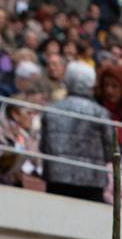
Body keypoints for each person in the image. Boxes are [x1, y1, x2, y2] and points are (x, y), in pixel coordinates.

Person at [41, 60, 114, 201]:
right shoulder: (100, 113)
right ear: (92, 84)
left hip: (57, 175)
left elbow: (43, 146)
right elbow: (110, 150)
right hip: (92, 179)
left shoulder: (50, 110)